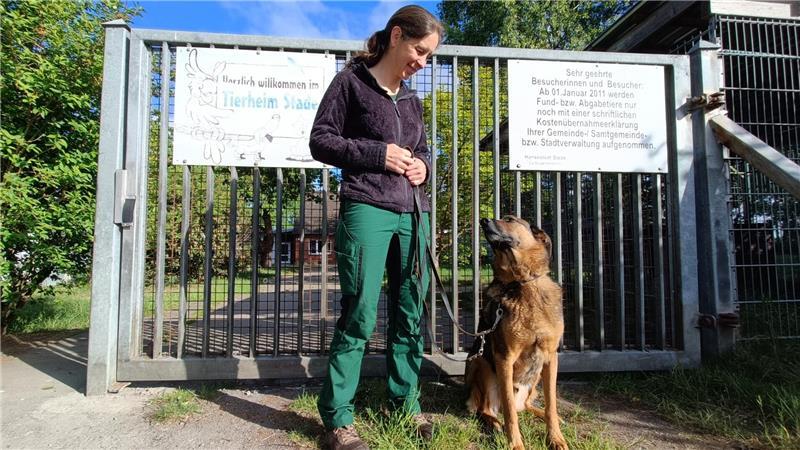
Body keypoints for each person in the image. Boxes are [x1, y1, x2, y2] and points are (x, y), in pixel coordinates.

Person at [308, 5, 443, 450]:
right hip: (366, 207)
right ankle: (337, 419)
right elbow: (320, 140)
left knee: (409, 313)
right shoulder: (351, 82)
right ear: (397, 35)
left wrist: (422, 165)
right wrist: (376, 154)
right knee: (360, 312)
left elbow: (422, 149)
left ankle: (404, 404)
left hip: (412, 214)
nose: (422, 63)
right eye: (420, 52)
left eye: (428, 57)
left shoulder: (411, 99)